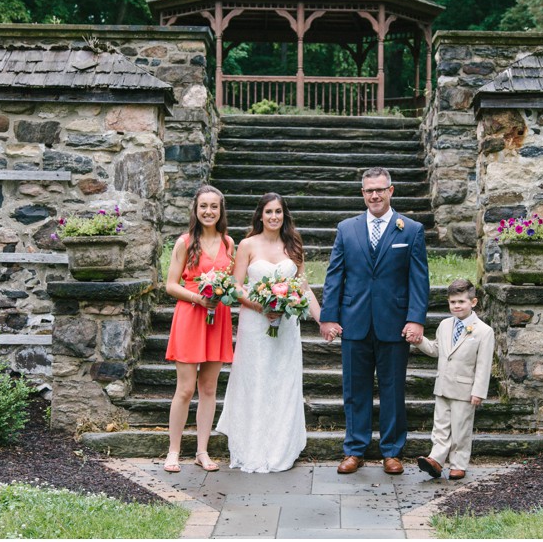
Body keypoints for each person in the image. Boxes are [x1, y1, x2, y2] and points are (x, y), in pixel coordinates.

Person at [320, 166, 430, 475]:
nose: (375, 195)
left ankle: (392, 452)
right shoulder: (347, 229)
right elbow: (335, 277)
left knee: (394, 389)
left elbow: (418, 280)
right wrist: (329, 317)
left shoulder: (410, 229)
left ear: (391, 191)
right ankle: (355, 450)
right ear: (362, 193)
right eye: (369, 190)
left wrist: (416, 319)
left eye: (380, 189)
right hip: (354, 321)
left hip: (394, 322)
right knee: (355, 390)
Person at [216, 192, 321, 473]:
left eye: (278, 212)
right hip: (255, 323)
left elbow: (304, 287)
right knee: (256, 379)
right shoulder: (248, 244)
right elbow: (236, 286)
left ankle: (280, 446)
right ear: (260, 215)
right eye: (269, 212)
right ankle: (252, 444)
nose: (274, 217)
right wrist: (259, 306)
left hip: (286, 326)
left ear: (284, 215)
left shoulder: (293, 245)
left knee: (283, 382)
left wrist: (323, 319)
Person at [163, 185, 234, 473]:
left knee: (208, 388)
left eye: (214, 206)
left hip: (217, 317)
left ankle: (202, 451)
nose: (208, 211)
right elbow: (170, 285)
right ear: (195, 209)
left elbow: (232, 281)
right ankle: (173, 451)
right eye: (203, 206)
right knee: (185, 388)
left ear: (220, 210)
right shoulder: (184, 242)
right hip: (191, 316)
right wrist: (197, 298)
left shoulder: (229, 243)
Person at [409, 278, 494, 480]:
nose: (456, 306)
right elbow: (437, 350)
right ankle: (436, 460)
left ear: (473, 302)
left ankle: (458, 463)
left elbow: (483, 365)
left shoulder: (483, 331)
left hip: (465, 389)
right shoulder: (445, 325)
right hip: (443, 385)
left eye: (461, 302)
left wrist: (479, 392)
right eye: (453, 302)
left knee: (460, 427)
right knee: (440, 426)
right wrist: (420, 341)